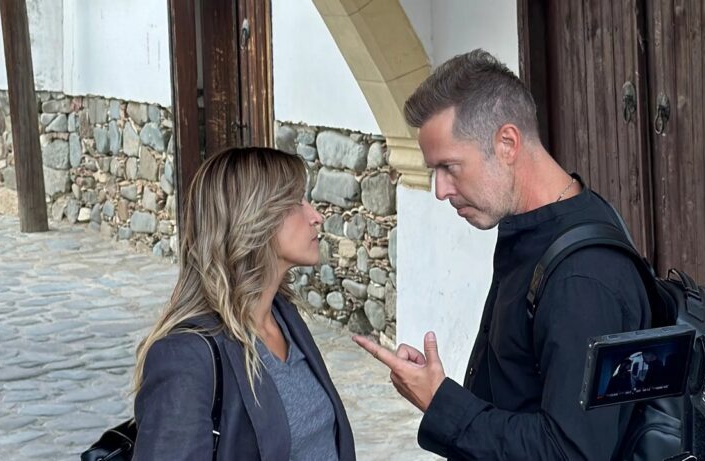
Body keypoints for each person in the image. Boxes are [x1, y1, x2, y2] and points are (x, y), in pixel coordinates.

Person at [353, 49, 650, 460]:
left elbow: (568, 453)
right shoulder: (537, 225)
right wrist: (441, 392)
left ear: (507, 143)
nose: (440, 190)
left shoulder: (582, 278)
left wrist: (441, 404)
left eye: (449, 167)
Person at [132, 147, 355, 460]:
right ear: (253, 218)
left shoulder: (283, 315)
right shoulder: (186, 356)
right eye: (296, 203)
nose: (315, 217)